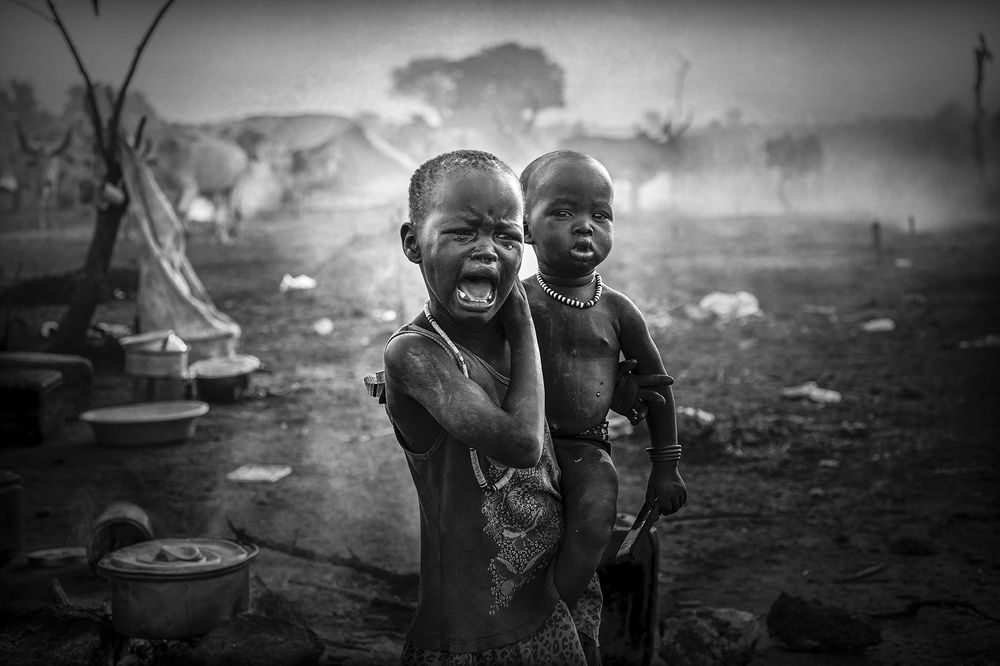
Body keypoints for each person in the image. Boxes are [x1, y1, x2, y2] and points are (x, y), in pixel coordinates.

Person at [380, 149, 590, 664]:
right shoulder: (416, 355)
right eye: (462, 233)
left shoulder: (522, 347)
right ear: (412, 242)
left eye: (507, 236)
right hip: (470, 641)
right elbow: (521, 444)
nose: (487, 251)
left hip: (553, 611)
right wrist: (522, 321)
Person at [519, 150, 687, 628]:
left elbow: (657, 388)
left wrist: (666, 468)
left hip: (585, 448)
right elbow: (465, 351)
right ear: (526, 229)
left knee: (595, 515)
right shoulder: (516, 300)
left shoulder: (617, 310)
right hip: (518, 447)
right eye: (562, 212)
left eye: (600, 214)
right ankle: (508, 616)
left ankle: (548, 620)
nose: (585, 226)